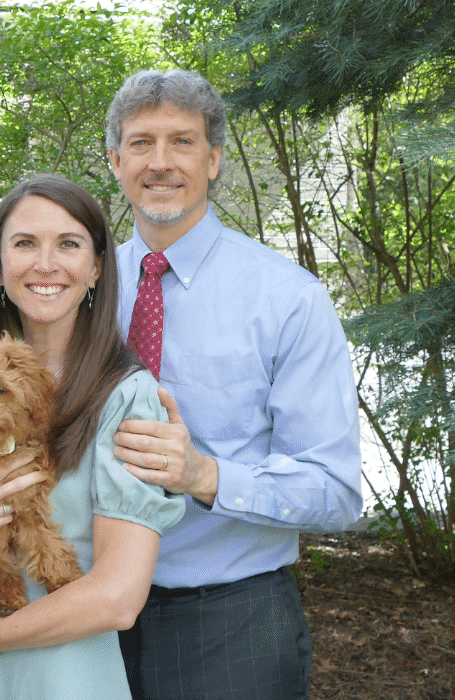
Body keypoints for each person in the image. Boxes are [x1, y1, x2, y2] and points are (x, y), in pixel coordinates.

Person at [105, 69, 363, 700]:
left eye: (182, 142)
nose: (160, 162)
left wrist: (204, 476)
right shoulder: (82, 288)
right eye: (141, 143)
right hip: (86, 618)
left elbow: (335, 492)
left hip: (231, 624)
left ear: (214, 159)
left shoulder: (287, 299)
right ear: (115, 161)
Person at [0, 174, 187, 699]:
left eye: (68, 244)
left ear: (95, 270)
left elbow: (117, 596)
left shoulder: (128, 397)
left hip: (66, 672)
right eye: (25, 244)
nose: (45, 264)